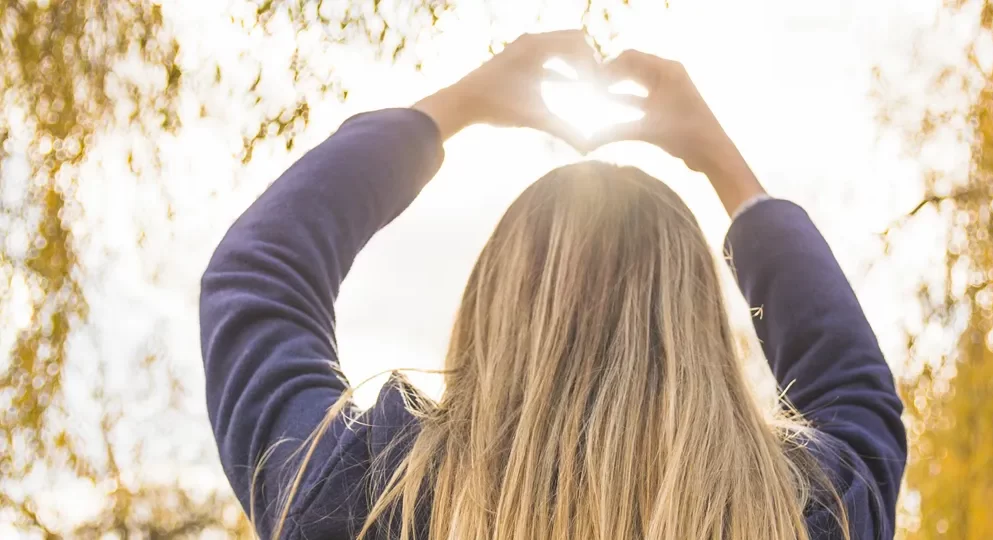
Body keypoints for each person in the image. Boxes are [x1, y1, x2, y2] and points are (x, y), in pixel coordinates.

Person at [200, 30, 906, 540]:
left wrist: (463, 102)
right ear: (696, 324)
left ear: (496, 305)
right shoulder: (810, 513)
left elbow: (260, 273)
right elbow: (853, 391)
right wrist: (721, 162)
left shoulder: (363, 497)